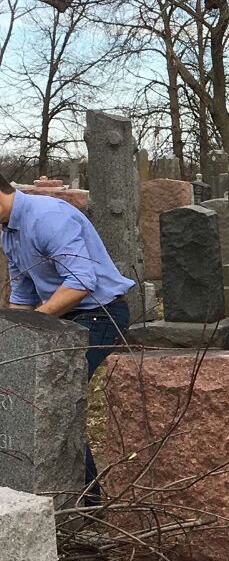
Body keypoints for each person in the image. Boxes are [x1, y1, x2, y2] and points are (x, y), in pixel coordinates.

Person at [0, 172, 135, 490]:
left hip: (100, 315)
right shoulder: (8, 230)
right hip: (62, 317)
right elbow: (23, 294)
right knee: (20, 389)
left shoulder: (48, 218)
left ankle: (84, 501)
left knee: (54, 400)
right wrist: (12, 339)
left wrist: (38, 323)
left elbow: (81, 282)